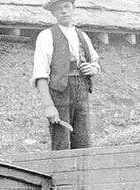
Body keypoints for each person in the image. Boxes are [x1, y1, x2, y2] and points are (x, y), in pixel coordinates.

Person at [32, 0, 100, 150]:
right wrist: (49, 106)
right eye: (59, 9)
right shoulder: (46, 36)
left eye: (67, 7)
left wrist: (93, 68)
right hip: (60, 93)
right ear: (53, 13)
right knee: (61, 143)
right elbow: (40, 75)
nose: (64, 11)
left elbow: (95, 61)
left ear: (73, 8)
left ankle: (83, 174)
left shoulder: (82, 35)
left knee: (84, 144)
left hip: (82, 93)